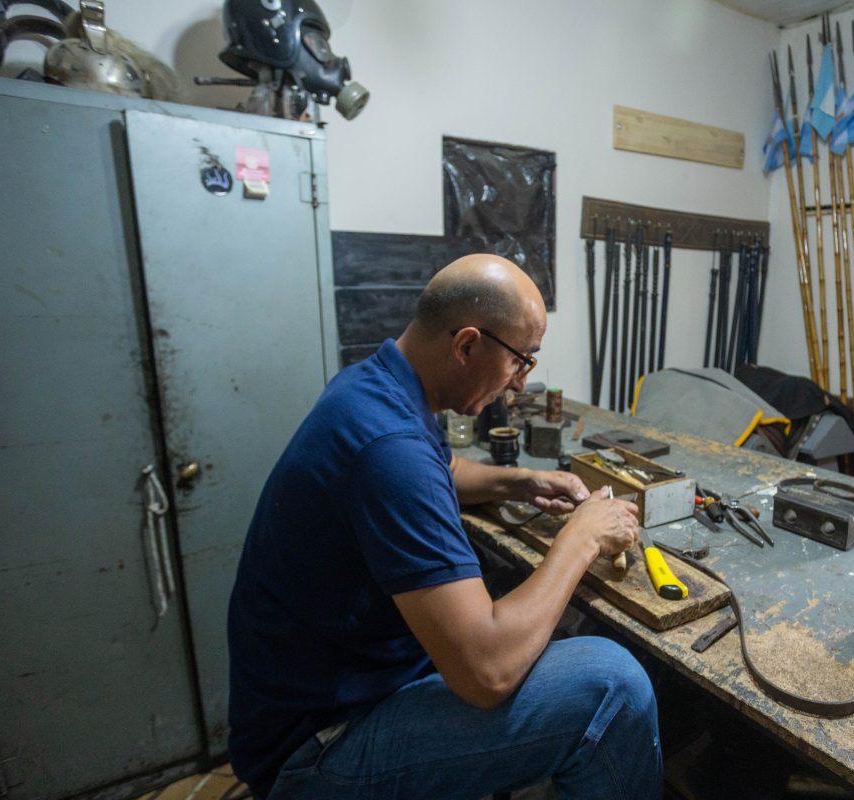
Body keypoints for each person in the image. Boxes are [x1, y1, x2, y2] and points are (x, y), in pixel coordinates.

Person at [227, 254, 662, 799]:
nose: (521, 384)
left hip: (335, 685)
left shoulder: (376, 386)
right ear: (467, 346)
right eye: (520, 361)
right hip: (319, 746)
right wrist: (583, 537)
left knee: (535, 616)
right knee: (613, 688)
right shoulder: (390, 449)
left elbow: (443, 467)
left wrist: (519, 481)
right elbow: (487, 674)